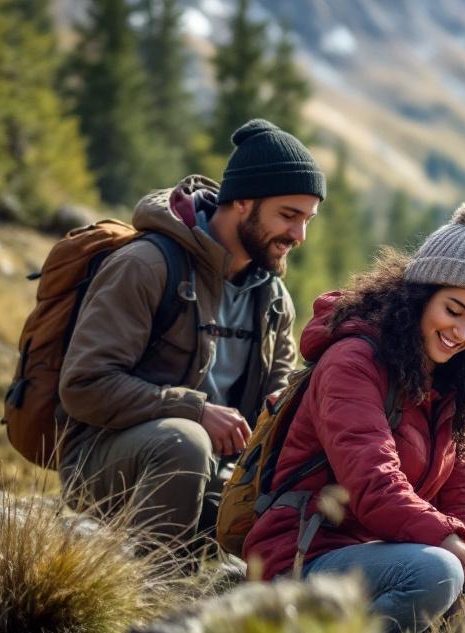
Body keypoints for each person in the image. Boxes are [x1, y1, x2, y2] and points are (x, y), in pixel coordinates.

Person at [243, 200, 465, 633]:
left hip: (386, 557)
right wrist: (461, 558)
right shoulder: (353, 362)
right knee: (439, 572)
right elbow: (374, 487)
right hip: (303, 557)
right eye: (452, 311)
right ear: (418, 296)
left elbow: (456, 502)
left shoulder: (453, 385)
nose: (462, 333)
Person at [59, 119, 319, 550]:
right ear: (242, 202)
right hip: (107, 459)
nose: (299, 235)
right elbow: (84, 386)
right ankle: (147, 593)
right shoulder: (147, 265)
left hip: (218, 470)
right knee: (187, 443)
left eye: (308, 219)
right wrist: (196, 411)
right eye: (288, 216)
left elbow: (275, 412)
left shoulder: (273, 299)